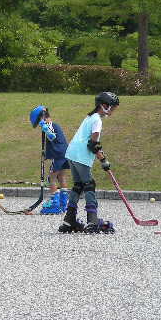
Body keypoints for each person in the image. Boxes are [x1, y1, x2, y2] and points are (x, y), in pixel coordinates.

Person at [59, 92, 120, 234]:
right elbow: (93, 144)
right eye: (113, 108)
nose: (113, 111)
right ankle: (92, 220)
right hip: (81, 155)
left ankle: (69, 219)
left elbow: (92, 143)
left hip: (71, 153)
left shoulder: (89, 117)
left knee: (78, 185)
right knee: (89, 184)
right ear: (105, 106)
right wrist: (104, 160)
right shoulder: (97, 120)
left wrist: (101, 156)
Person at [37, 108, 70, 215]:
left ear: (42, 118)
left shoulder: (49, 125)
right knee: (61, 177)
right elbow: (57, 142)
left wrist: (44, 126)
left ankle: (54, 203)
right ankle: (63, 203)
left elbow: (52, 136)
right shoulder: (56, 125)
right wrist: (46, 155)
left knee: (52, 177)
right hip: (65, 153)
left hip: (59, 154)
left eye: (39, 121)